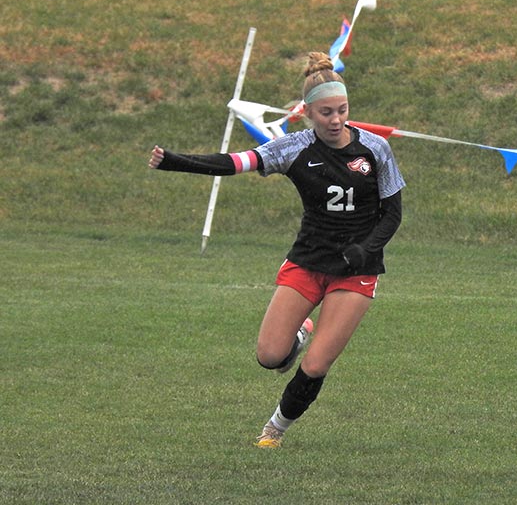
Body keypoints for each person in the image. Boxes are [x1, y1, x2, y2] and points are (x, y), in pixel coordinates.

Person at [148, 52, 405, 449]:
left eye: (342, 110)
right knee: (270, 356)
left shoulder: (375, 149)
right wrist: (177, 162)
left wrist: (363, 249)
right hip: (308, 260)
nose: (335, 120)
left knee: (316, 364)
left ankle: (275, 429)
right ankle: (302, 330)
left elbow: (392, 214)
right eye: (325, 113)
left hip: (357, 268)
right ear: (307, 114)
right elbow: (236, 162)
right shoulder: (293, 148)